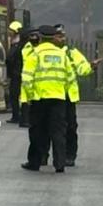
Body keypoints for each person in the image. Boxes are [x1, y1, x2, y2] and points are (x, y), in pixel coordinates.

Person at [21, 24, 77, 174]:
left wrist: (29, 95)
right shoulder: (61, 55)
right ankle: (59, 163)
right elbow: (70, 77)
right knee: (58, 131)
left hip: (39, 98)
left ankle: (35, 162)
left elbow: (26, 78)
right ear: (53, 38)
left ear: (40, 37)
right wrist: (67, 94)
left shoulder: (35, 53)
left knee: (37, 131)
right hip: (58, 98)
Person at [54, 25, 94, 167]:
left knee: (71, 127)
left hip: (68, 96)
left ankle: (70, 156)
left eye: (63, 36)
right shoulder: (46, 53)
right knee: (54, 128)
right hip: (52, 95)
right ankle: (54, 156)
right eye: (59, 36)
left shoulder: (71, 53)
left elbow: (82, 68)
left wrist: (90, 66)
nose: (62, 38)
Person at [5, 21, 26, 122]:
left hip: (17, 74)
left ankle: (18, 116)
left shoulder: (18, 45)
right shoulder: (16, 44)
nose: (9, 33)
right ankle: (17, 115)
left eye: (11, 31)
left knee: (15, 95)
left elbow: (10, 59)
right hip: (16, 74)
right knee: (15, 95)